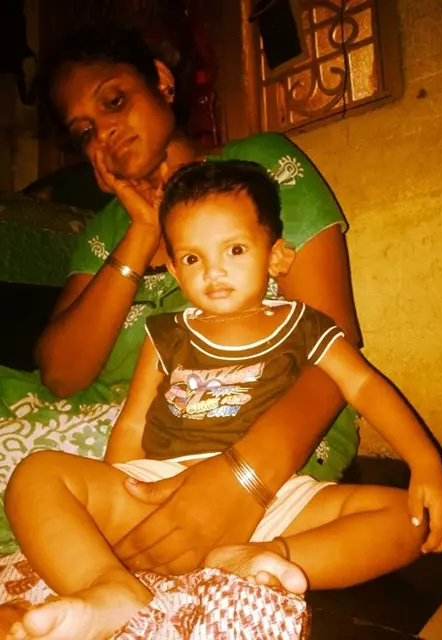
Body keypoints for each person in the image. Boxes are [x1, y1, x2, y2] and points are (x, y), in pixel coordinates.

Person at [4, 160, 442, 640]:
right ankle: (110, 588)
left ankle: (263, 558)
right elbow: (134, 422)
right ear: (174, 271)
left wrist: (425, 464)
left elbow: (363, 386)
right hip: (159, 483)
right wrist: (116, 493)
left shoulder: (304, 325)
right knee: (33, 475)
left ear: (276, 256)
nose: (214, 271)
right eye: (192, 259)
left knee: (410, 520)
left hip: (274, 499)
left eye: (235, 249)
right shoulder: (165, 334)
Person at [0, 24, 361, 561]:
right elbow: (61, 374)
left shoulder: (258, 170)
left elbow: (333, 341)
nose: (105, 134)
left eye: (114, 101)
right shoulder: (106, 230)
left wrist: (245, 476)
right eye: (84, 132)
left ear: (162, 82)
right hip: (109, 427)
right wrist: (144, 228)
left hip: (243, 422)